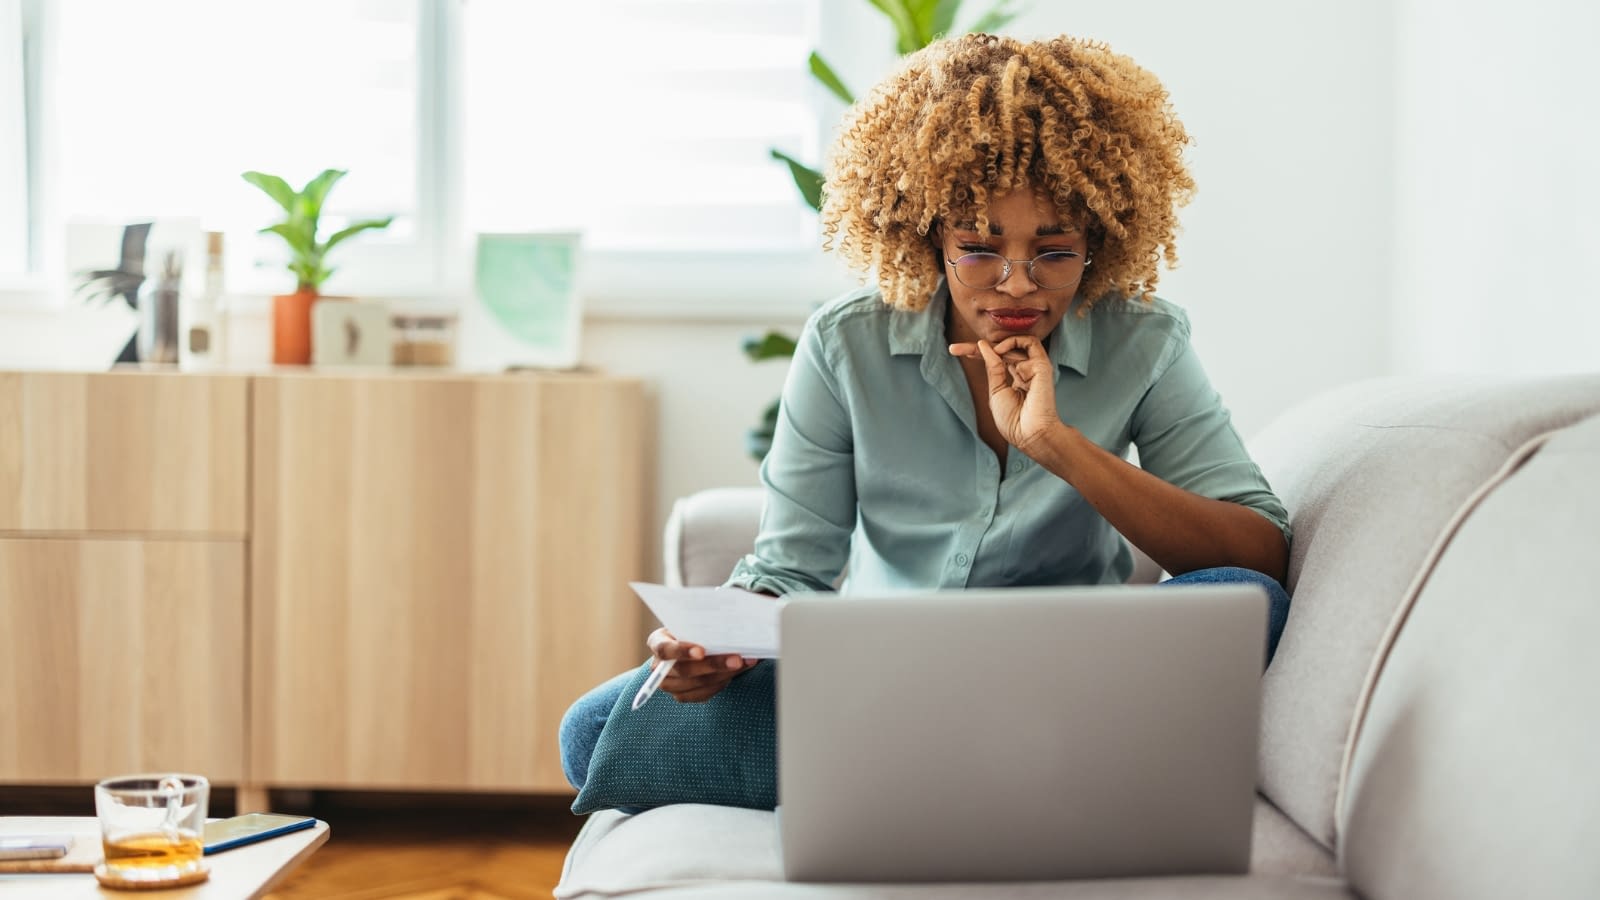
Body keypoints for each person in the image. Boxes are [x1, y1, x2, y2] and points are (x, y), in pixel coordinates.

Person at [561, 32, 1291, 790]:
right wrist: (719, 644)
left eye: (1054, 251)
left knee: (1249, 602)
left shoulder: (1144, 340)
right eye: (978, 248)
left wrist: (1056, 443)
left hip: (1065, 673)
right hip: (881, 675)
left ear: (1098, 243)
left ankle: (922, 773)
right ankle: (1011, 772)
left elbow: (1257, 558)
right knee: (591, 735)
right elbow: (790, 568)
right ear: (927, 236)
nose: (1016, 285)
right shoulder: (849, 343)